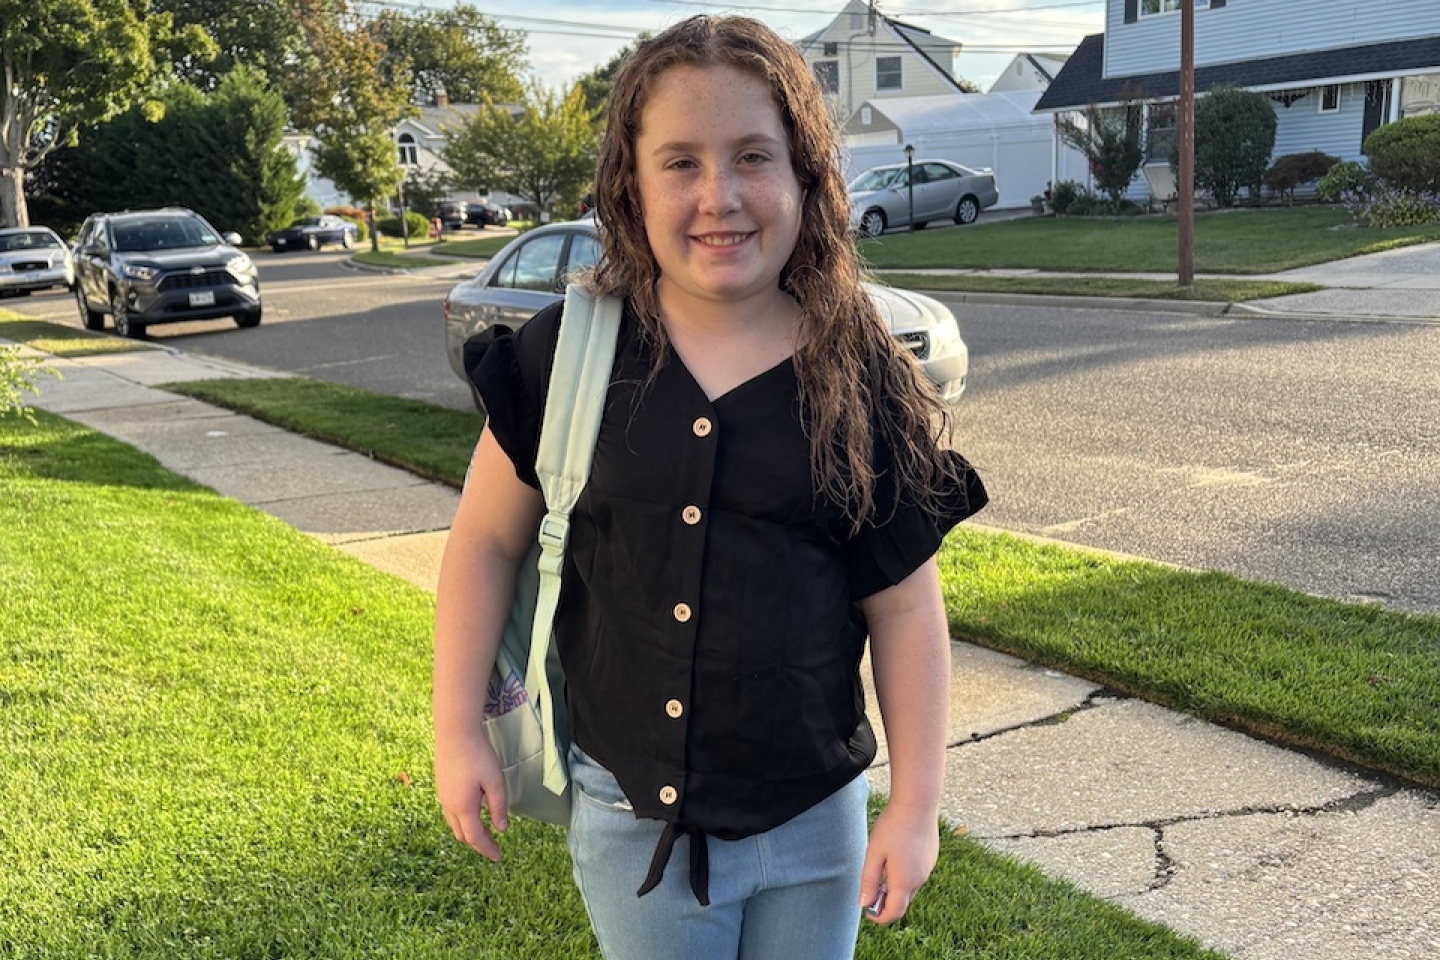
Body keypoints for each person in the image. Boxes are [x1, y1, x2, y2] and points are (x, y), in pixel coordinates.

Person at [432, 14, 986, 960]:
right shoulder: (565, 356)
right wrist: (458, 732)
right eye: (679, 161)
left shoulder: (862, 373)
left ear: (807, 177)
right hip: (627, 817)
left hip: (816, 826)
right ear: (629, 183)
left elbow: (903, 608)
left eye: (753, 157)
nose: (719, 196)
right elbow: (484, 542)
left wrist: (917, 807)